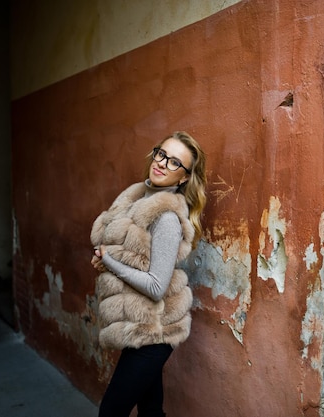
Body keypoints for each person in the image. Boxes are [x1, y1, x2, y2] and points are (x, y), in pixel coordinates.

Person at [90, 131, 207, 417]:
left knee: (111, 412)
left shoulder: (166, 218)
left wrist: (111, 262)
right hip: (141, 324)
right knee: (151, 410)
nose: (163, 163)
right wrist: (106, 262)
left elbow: (156, 286)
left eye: (174, 163)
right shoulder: (134, 200)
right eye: (161, 154)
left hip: (155, 331)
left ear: (183, 179)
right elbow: (127, 255)